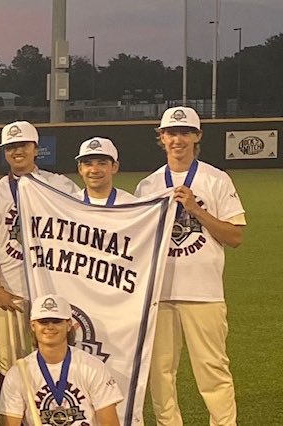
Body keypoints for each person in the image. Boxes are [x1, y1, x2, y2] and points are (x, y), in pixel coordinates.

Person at [135, 106, 246, 426]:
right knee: (160, 374)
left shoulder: (216, 179)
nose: (177, 140)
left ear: (197, 136)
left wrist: (196, 210)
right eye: (171, 133)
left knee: (213, 370)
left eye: (185, 132)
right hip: (159, 294)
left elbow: (235, 237)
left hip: (204, 292)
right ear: (161, 138)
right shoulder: (148, 185)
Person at [0, 121, 78, 383]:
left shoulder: (58, 185)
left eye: (22, 145)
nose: (17, 151)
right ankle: (10, 409)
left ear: (35, 148)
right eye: (10, 147)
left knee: (55, 355)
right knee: (10, 362)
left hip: (52, 287)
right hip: (12, 292)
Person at [0, 295, 123, 426]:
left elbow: (110, 423)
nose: (50, 327)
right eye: (43, 321)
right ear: (33, 325)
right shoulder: (18, 373)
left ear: (68, 325)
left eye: (56, 321)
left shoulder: (92, 367)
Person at [75, 137, 137, 206]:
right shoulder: (71, 204)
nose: (94, 170)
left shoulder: (131, 204)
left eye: (102, 164)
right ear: (80, 169)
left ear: (114, 167)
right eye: (88, 164)